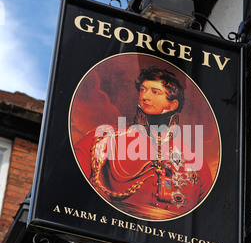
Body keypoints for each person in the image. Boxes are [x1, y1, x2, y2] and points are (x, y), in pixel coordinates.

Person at [74, 66, 213, 220]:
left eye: (155, 92)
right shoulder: (102, 139)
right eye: (142, 89)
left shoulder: (198, 165)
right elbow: (71, 183)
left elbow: (208, 219)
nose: (145, 96)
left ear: (173, 105)